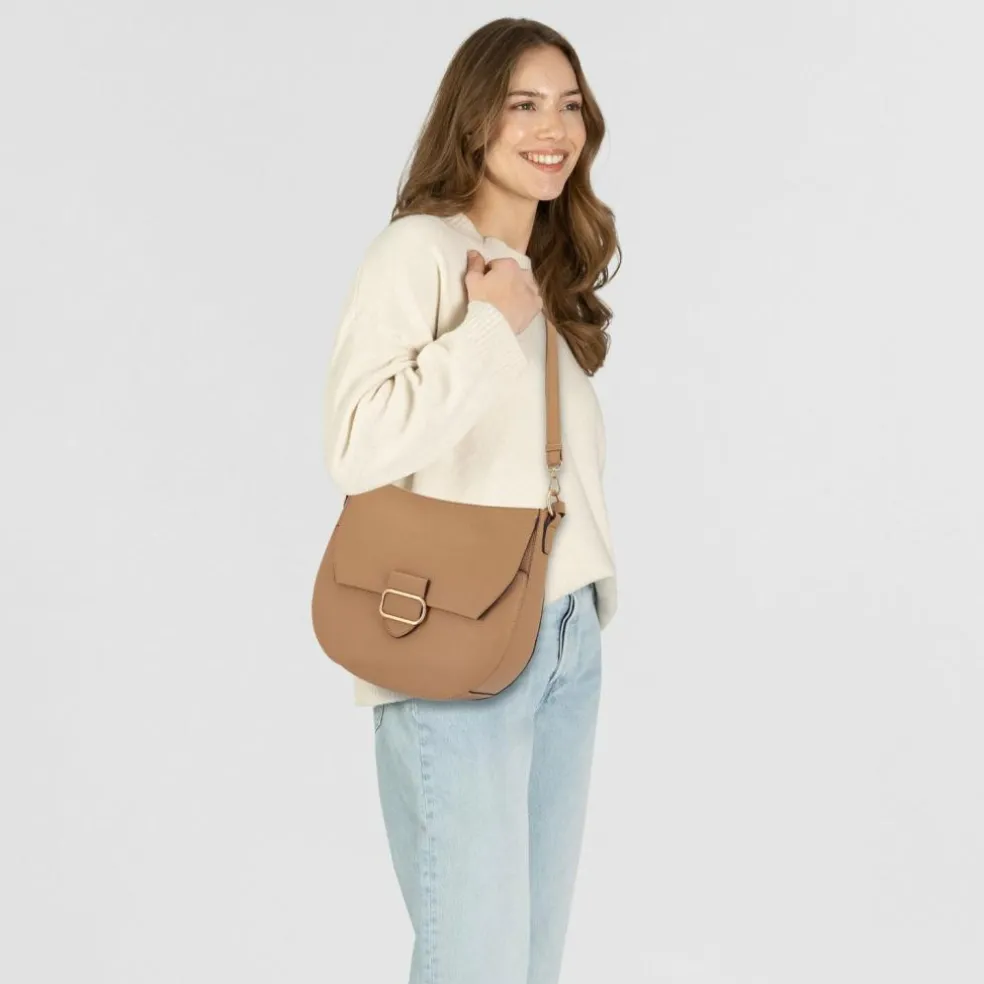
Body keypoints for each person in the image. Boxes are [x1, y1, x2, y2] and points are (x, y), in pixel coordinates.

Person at [320, 17, 621, 984]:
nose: (553, 127)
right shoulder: (420, 252)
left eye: (569, 105)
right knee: (475, 963)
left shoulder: (541, 275)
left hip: (562, 635)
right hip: (454, 640)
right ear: (474, 118)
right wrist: (487, 327)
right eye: (524, 103)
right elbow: (356, 443)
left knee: (527, 963)